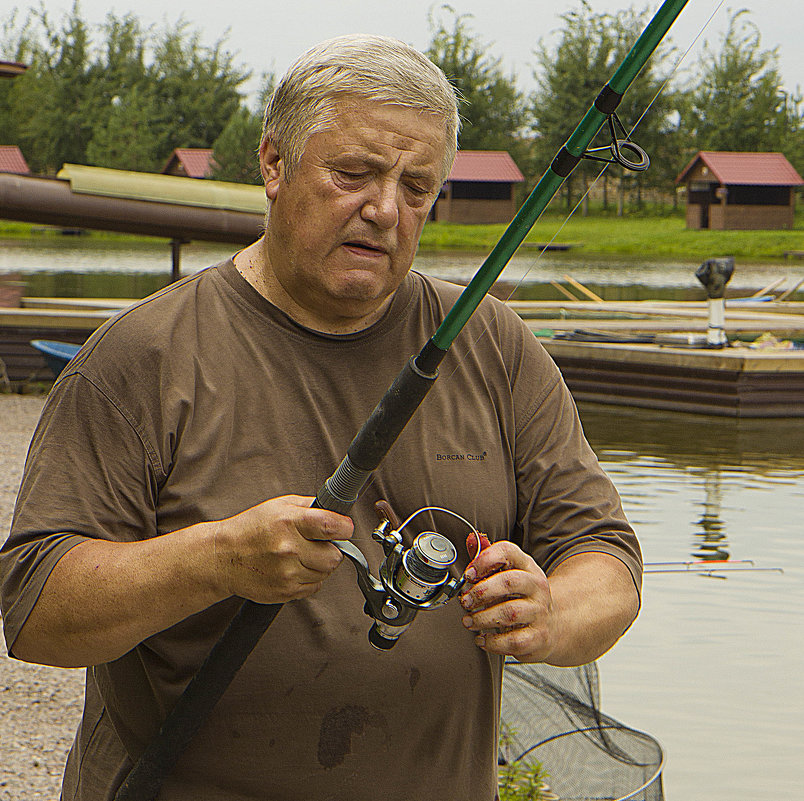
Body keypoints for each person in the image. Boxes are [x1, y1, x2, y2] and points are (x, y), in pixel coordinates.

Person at [0, 34, 641, 801]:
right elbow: (35, 611)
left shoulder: (493, 343)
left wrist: (551, 610)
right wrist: (214, 560)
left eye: (415, 187)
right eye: (354, 174)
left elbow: (605, 555)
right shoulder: (141, 355)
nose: (383, 209)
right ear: (273, 164)